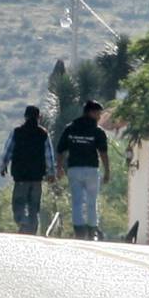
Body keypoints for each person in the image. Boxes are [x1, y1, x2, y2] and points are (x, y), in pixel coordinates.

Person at [55, 100, 110, 239]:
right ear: (90, 112)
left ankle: (79, 231)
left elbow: (60, 150)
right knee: (92, 202)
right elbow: (103, 153)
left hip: (74, 170)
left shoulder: (70, 128)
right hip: (91, 170)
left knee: (77, 201)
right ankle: (92, 230)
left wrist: (59, 168)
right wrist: (107, 171)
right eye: (98, 113)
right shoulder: (97, 131)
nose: (99, 116)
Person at [0, 105, 56, 235]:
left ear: (25, 116)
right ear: (39, 117)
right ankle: (32, 229)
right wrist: (51, 173)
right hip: (37, 177)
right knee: (34, 205)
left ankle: (23, 222)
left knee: (19, 203)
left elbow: (8, 151)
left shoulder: (17, 132)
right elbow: (49, 156)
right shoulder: (43, 134)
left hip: (21, 176)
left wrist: (3, 166)